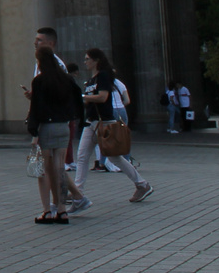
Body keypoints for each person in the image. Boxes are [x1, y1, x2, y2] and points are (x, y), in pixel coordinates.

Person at [67, 50, 153, 215]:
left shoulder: (103, 76)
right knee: (83, 156)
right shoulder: (91, 79)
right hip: (91, 122)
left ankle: (142, 184)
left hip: (103, 122)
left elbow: (103, 97)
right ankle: (78, 193)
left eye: (87, 59)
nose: (85, 62)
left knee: (114, 157)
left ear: (96, 60)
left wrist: (83, 96)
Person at [27, 47, 84, 224]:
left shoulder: (39, 81)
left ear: (40, 61)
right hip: (63, 126)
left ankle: (47, 211)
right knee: (60, 168)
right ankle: (61, 210)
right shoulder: (66, 79)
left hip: (46, 126)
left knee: (43, 171)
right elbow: (78, 99)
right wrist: (76, 116)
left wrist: (33, 131)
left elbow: (35, 108)